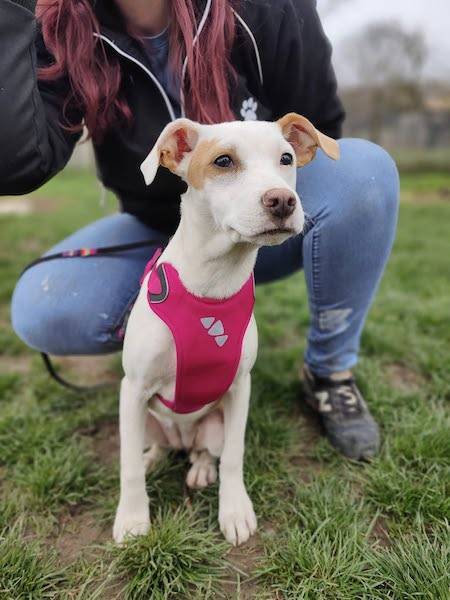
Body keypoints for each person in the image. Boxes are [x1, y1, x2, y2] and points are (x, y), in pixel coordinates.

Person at [1, 0, 399, 460]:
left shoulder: (267, 9)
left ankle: (330, 371)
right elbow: (15, 165)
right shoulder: (59, 27)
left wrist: (259, 178)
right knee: (42, 306)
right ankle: (165, 350)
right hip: (159, 232)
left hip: (268, 224)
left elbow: (323, 136)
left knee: (365, 173)